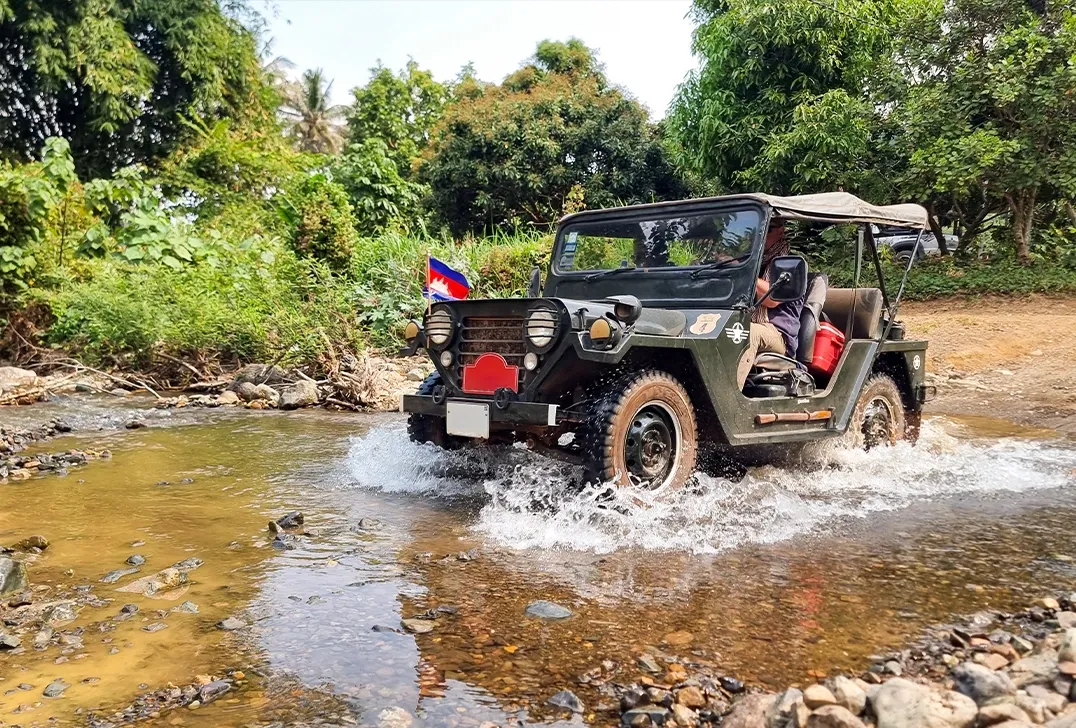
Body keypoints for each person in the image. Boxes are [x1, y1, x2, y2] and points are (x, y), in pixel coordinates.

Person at [736, 221, 805, 390]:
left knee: (748, 333)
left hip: (778, 333)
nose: (762, 233)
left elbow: (772, 299)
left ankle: (729, 396)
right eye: (759, 228)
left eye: (769, 228)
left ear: (781, 231)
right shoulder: (754, 261)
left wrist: (742, 272)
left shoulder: (789, 264)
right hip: (746, 319)